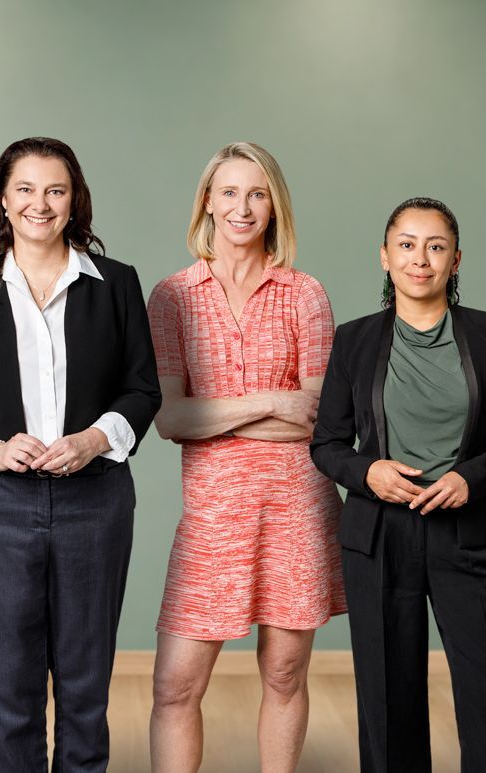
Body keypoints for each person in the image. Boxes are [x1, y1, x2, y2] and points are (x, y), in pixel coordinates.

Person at [0, 136, 160, 773]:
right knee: (9, 688)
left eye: (55, 189)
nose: (40, 203)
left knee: (86, 687)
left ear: (74, 198)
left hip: (96, 503)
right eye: (25, 189)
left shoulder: (115, 285)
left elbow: (144, 389)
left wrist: (93, 439)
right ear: (3, 199)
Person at [310, 197, 486, 772]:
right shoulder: (354, 339)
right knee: (389, 699)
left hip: (465, 532)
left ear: (455, 260)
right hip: (378, 536)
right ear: (385, 257)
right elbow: (327, 445)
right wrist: (369, 473)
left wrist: (470, 477)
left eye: (436, 247)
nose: (421, 259)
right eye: (407, 246)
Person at [146, 141, 342, 773]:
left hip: (296, 509)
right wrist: (269, 401)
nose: (243, 206)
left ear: (274, 206)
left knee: (285, 674)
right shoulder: (172, 297)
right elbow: (168, 418)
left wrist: (216, 416)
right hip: (212, 516)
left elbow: (317, 417)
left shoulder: (305, 294)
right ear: (208, 200)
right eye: (229, 191)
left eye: (257, 193)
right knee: (175, 685)